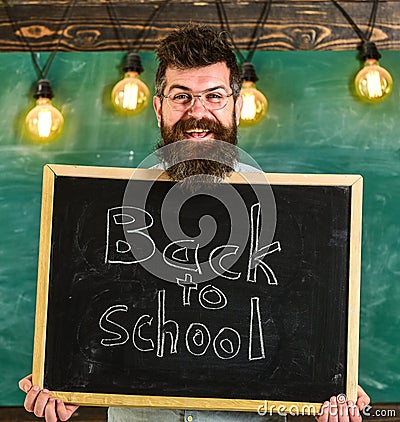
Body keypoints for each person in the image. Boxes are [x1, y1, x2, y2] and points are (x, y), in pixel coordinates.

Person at [19, 24, 370, 422]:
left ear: (236, 105)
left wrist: (329, 389)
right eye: (181, 96)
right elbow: (86, 339)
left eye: (214, 96)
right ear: (159, 107)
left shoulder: (298, 221)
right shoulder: (105, 212)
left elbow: (308, 358)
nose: (197, 112)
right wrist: (65, 381)